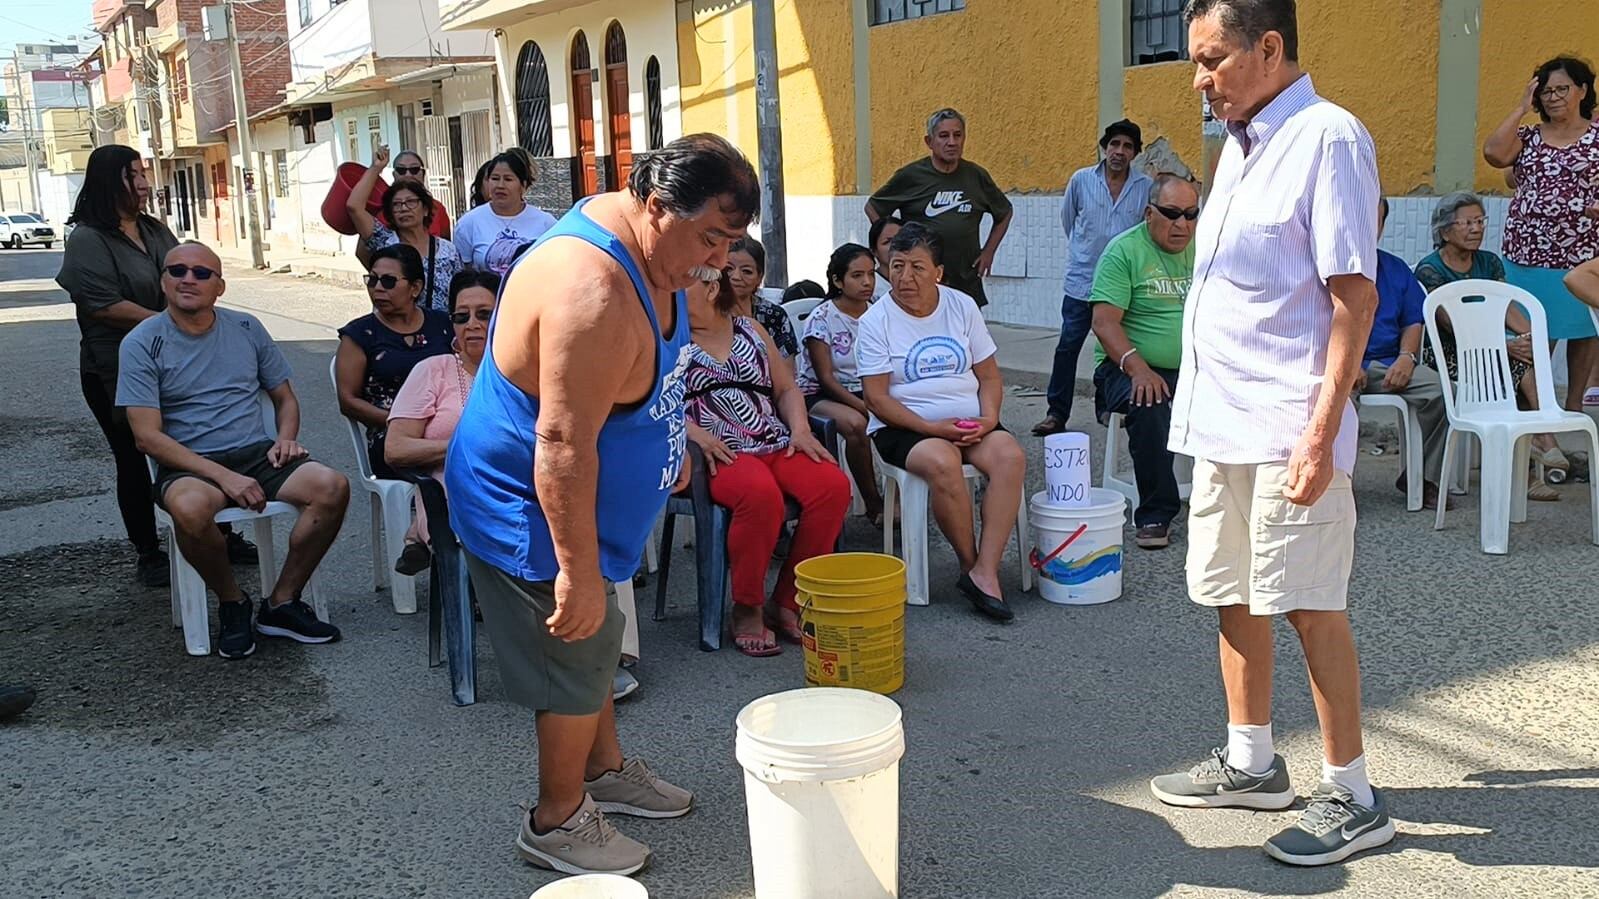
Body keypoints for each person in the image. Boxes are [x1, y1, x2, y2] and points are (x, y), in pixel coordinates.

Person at [444, 134, 759, 876]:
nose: (720, 260)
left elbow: (647, 379)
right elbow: (559, 442)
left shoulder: (654, 247)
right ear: (655, 205)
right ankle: (555, 819)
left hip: (586, 505)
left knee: (601, 635)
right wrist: (577, 571)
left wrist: (670, 444)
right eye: (711, 237)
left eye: (732, 240)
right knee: (576, 651)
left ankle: (603, 770)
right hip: (528, 501)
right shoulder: (588, 290)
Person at [1152, 0, 1395, 866]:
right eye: (1194, 61)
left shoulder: (1328, 137)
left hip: (1287, 425)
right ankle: (1251, 761)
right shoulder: (1239, 144)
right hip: (1221, 423)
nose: (1199, 79)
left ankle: (1354, 794)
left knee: (1307, 603)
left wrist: (1319, 434)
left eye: (1211, 59)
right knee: (1232, 591)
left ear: (1268, 46)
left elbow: (1352, 295)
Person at [118, 243, 348, 659]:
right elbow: (147, 438)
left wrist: (286, 438)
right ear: (163, 281)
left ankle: (281, 602)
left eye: (202, 273)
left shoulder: (245, 327)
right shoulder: (141, 342)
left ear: (220, 286)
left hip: (256, 453)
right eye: (177, 271)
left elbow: (285, 398)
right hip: (189, 463)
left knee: (331, 487)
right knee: (190, 509)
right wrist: (224, 477)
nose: (188, 279)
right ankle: (232, 602)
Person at [56, 144, 252, 588]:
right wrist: (174, 323)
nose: (144, 184)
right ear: (111, 181)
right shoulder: (88, 238)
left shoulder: (153, 229)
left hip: (178, 359)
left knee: (199, 438)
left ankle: (220, 534)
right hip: (115, 365)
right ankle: (148, 551)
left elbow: (185, 276)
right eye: (134, 175)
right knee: (134, 456)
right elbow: (103, 305)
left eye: (144, 174)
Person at [857, 223, 1026, 621]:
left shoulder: (961, 306)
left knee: (1010, 456)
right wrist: (933, 429)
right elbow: (876, 398)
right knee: (942, 461)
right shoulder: (876, 321)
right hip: (904, 427)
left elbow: (989, 377)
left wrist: (989, 419)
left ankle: (986, 569)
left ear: (938, 272)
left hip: (968, 419)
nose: (905, 277)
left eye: (917, 267)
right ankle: (970, 565)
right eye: (897, 266)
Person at [684, 272, 850, 656]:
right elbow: (653, 401)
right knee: (760, 496)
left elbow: (787, 388)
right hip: (718, 448)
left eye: (682, 285)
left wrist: (801, 429)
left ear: (711, 288)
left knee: (832, 487)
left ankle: (788, 600)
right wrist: (695, 434)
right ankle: (747, 606)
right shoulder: (668, 340)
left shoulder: (751, 329)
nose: (670, 293)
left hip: (771, 437)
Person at [1416, 192, 1564, 500]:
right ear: (1445, 231)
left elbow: (1507, 309)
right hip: (1448, 354)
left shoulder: (1489, 262)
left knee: (1523, 358)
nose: (1476, 229)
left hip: (1493, 352)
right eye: (1467, 222)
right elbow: (1451, 324)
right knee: (1511, 365)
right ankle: (1540, 443)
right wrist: (1503, 347)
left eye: (1480, 221)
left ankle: (1530, 455)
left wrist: (1530, 337)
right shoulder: (1430, 269)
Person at [1483, 56, 1599, 414]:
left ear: (1582, 90)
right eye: (1546, 92)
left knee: (1582, 331)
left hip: (1582, 253)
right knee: (1531, 334)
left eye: (1562, 89)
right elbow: (1493, 154)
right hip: (1528, 254)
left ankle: (1574, 406)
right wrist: (1521, 108)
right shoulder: (1529, 137)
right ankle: (1537, 410)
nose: (1554, 98)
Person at [1089, 174, 1198, 549]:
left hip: (1193, 368)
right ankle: (1155, 513)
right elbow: (1104, 323)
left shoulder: (1204, 248)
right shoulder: (1123, 252)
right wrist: (1139, 369)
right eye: (1172, 213)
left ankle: (1231, 501)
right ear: (1150, 213)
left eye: (1191, 214)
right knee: (1150, 398)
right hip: (1125, 366)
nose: (1182, 224)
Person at [1036, 120, 1155, 436]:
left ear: (1135, 153)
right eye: (1114, 144)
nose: (1119, 152)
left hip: (1122, 286)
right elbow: (1068, 222)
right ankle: (1056, 413)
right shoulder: (1081, 180)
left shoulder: (1144, 187)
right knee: (1067, 348)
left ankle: (1107, 407)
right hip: (1082, 281)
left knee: (1114, 348)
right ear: (1105, 147)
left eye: (1127, 146)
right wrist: (1085, 252)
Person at [384, 269, 501, 572]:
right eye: (462, 317)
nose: (472, 324)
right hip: (451, 490)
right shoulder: (433, 370)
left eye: (484, 314)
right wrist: (465, 447)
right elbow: (396, 449)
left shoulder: (522, 373)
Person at [866, 108, 1014, 308]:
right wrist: (897, 248)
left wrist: (989, 252)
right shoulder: (911, 176)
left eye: (957, 135)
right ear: (929, 141)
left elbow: (1004, 212)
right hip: (921, 280)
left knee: (967, 327)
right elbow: (873, 207)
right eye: (944, 136)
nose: (952, 142)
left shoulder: (976, 176)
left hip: (965, 280)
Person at [1358, 198, 1452, 510]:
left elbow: (1413, 319)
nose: (1368, 228)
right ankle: (1335, 485)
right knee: (1334, 399)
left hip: (1388, 362)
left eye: (1375, 221)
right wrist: (1347, 362)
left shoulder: (1394, 268)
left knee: (1444, 393)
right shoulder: (1325, 268)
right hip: (1340, 364)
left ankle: (1422, 478)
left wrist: (1407, 357)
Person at [335, 244, 454, 481]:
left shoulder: (443, 325)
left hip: (447, 427)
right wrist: (403, 423)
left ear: (415, 288)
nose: (378, 288)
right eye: (372, 280)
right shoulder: (360, 335)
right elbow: (348, 401)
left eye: (388, 281)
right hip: (393, 440)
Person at [798, 242, 887, 524]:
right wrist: (866, 407)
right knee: (857, 425)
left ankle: (902, 498)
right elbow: (825, 379)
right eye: (857, 275)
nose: (867, 282)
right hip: (821, 394)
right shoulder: (822, 319)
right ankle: (873, 503)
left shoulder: (880, 310)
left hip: (868, 388)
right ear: (838, 281)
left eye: (871, 274)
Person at [346, 147, 464, 312]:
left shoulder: (448, 251)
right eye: (396, 204)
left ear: (426, 209)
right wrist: (376, 167)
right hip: (391, 326)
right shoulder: (384, 242)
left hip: (438, 327)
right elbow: (354, 206)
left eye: (411, 202)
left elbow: (460, 293)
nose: (404, 208)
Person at [453, 151, 558, 274]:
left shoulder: (546, 223)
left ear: (523, 185)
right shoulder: (468, 223)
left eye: (508, 179)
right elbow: (463, 272)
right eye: (495, 178)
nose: (500, 185)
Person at [724, 237, 799, 360]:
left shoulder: (775, 316)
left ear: (759, 277)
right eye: (728, 269)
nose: (736, 276)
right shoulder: (706, 315)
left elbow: (787, 368)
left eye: (747, 271)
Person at [868, 216, 902, 299]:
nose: (895, 245)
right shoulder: (870, 286)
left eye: (900, 239)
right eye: (887, 242)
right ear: (874, 251)